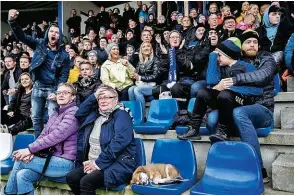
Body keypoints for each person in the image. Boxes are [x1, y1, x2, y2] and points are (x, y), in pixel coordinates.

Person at [178, 36, 263, 141]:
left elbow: (258, 90)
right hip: (225, 101)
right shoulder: (221, 68)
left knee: (225, 94)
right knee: (202, 92)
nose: (217, 58)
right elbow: (211, 81)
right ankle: (193, 128)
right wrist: (213, 56)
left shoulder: (246, 66)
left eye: (219, 55)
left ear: (228, 55)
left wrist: (231, 88)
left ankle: (223, 131)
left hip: (243, 101)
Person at [4, 83, 79, 195]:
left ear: (73, 97)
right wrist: (33, 152)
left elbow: (55, 136)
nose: (61, 95)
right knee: (22, 175)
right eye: (58, 92)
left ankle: (8, 193)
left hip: (65, 163)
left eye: (66, 93)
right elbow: (43, 135)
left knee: (19, 160)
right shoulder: (56, 113)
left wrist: (29, 150)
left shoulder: (73, 112)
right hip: (49, 160)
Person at [8, 9, 71, 138]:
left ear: (59, 37)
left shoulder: (64, 55)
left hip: (52, 89)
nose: (54, 34)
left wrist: (58, 92)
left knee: (52, 119)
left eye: (57, 32)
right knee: (36, 118)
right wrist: (12, 21)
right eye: (52, 31)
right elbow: (22, 36)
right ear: (48, 33)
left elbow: (64, 75)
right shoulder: (39, 44)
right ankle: (38, 145)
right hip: (37, 87)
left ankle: (49, 144)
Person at [66, 84, 136, 194]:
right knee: (72, 177)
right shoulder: (96, 114)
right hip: (97, 161)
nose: (103, 100)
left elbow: (120, 141)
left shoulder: (122, 115)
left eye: (107, 97)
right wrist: (94, 96)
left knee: (86, 181)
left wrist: (97, 164)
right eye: (100, 98)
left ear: (116, 99)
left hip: (118, 164)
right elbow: (79, 114)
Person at [231, 30, 277, 182]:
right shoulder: (236, 60)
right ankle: (225, 168)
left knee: (239, 113)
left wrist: (234, 80)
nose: (252, 45)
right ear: (241, 46)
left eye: (255, 42)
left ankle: (258, 168)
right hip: (241, 106)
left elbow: (262, 75)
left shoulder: (266, 58)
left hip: (263, 110)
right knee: (214, 118)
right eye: (248, 42)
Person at [128, 42, 164, 115]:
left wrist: (140, 77)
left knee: (137, 89)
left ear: (151, 49)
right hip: (143, 84)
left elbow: (155, 76)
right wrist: (134, 76)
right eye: (144, 47)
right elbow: (136, 73)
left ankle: (142, 115)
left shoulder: (155, 60)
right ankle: (133, 114)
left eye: (148, 46)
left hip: (153, 86)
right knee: (130, 90)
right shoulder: (140, 61)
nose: (146, 48)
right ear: (141, 50)